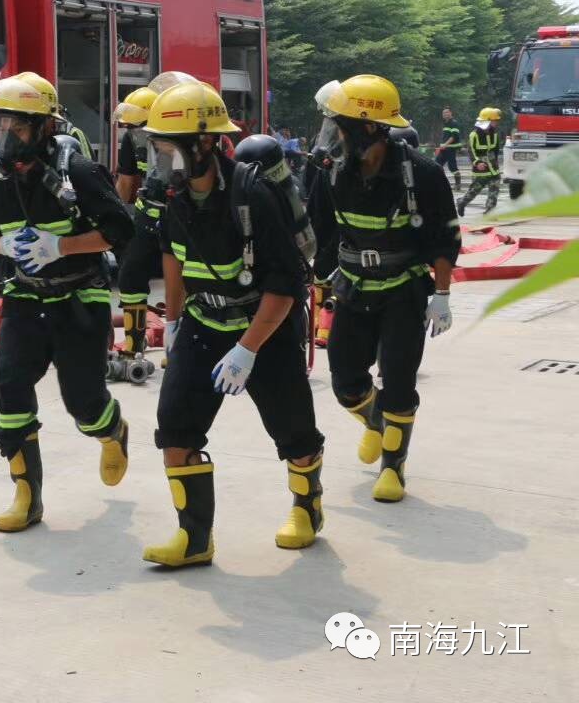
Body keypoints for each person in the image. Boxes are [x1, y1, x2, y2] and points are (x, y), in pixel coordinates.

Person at [141, 82, 324, 567]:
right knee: (175, 433)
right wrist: (176, 323)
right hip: (203, 324)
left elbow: (286, 287)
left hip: (264, 327)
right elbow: (173, 257)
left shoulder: (255, 196)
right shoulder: (174, 197)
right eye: (156, 150)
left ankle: (307, 508)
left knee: (296, 436)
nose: (162, 163)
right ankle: (194, 539)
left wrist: (247, 349)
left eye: (169, 151)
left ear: (203, 144)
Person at [0, 74, 135, 532]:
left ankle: (111, 430)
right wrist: (1, 248)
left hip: (80, 294)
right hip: (24, 295)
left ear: (43, 128)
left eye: (17, 128)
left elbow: (121, 230)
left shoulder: (76, 172)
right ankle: (27, 496)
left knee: (83, 403)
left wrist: (60, 247)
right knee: (11, 392)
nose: (6, 137)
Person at [307, 75, 459, 503]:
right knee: (346, 383)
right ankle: (378, 422)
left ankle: (393, 467)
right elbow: (320, 230)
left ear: (368, 127)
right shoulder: (333, 172)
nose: (333, 136)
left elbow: (444, 239)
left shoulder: (422, 175)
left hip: (403, 291)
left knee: (398, 379)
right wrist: (315, 278)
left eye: (339, 126)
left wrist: (442, 296)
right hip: (353, 287)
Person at [113, 85, 162, 365]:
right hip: (147, 210)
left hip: (179, 213)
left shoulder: (175, 137)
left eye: (139, 128)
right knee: (130, 272)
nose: (135, 134)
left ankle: (180, 340)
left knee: (183, 276)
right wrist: (119, 217)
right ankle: (134, 340)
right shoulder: (132, 140)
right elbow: (127, 180)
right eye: (131, 129)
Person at [455, 107, 503, 216]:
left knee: (494, 190)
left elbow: (495, 151)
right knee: (474, 191)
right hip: (481, 168)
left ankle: (490, 211)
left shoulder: (494, 134)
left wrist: (496, 164)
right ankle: (462, 202)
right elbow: (471, 151)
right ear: (487, 120)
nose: (497, 122)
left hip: (493, 168)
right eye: (495, 120)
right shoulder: (474, 135)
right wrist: (477, 163)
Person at [434, 107, 463, 190]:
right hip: (444, 149)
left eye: (447, 112)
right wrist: (442, 146)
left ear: (451, 113)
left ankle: (458, 184)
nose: (445, 114)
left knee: (452, 166)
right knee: (437, 165)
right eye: (444, 113)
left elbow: (453, 137)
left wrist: (445, 145)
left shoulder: (454, 123)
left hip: (450, 149)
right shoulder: (446, 124)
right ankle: (439, 183)